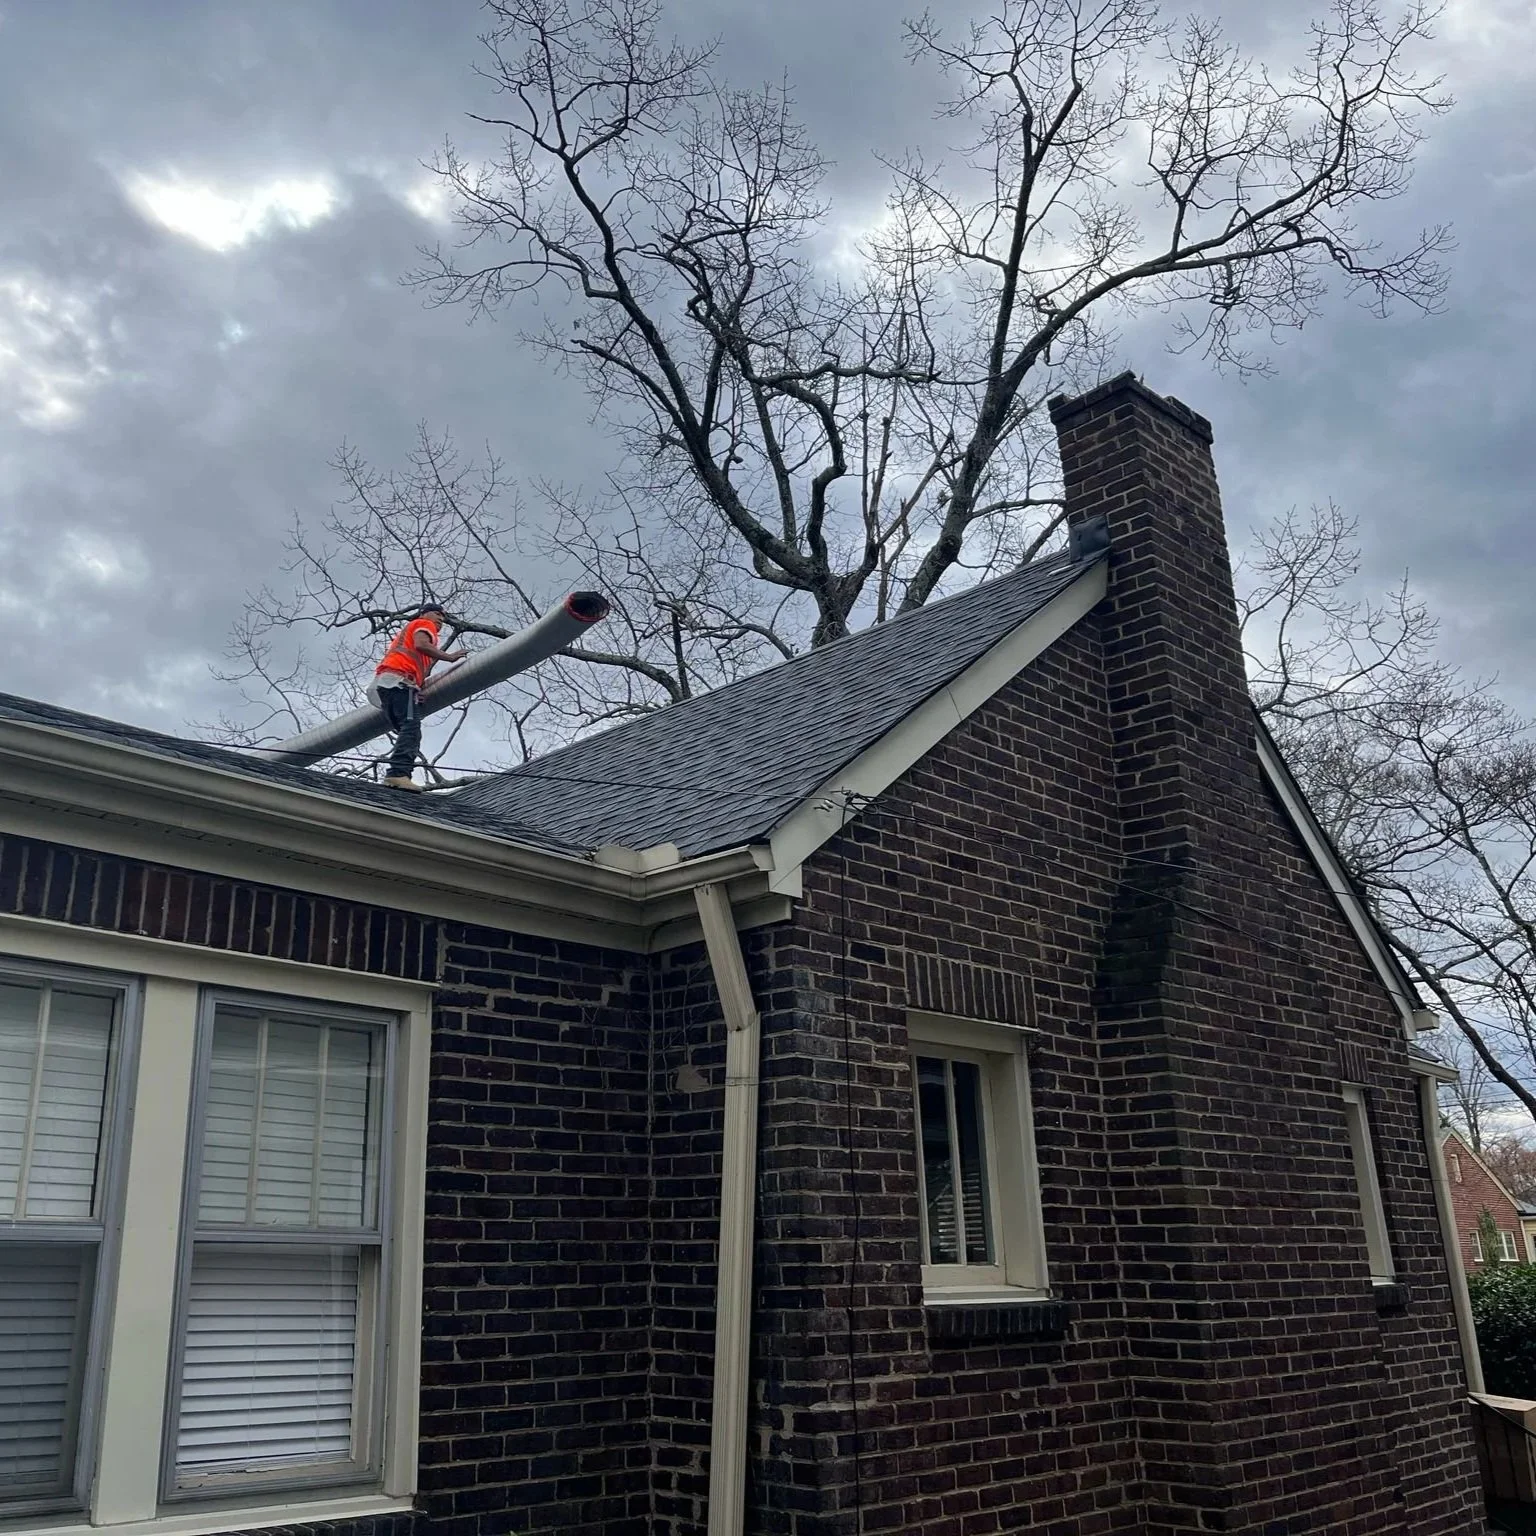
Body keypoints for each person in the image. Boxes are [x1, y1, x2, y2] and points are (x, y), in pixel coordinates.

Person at [366, 602, 466, 789]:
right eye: (437, 614)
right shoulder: (423, 624)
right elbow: (422, 644)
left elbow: (413, 658)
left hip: (389, 685)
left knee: (410, 730)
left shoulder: (411, 636)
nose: (440, 619)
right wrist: (451, 657)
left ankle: (400, 777)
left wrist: (416, 689)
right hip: (398, 682)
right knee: (411, 726)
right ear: (424, 614)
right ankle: (398, 774)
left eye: (443, 617)